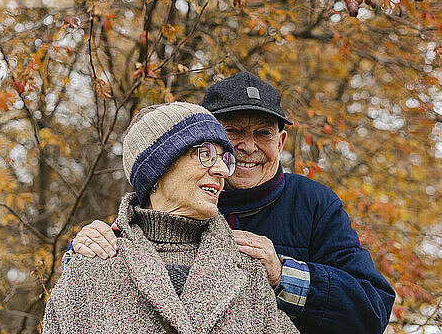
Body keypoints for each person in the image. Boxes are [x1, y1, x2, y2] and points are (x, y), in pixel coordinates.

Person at [66, 72, 396, 334]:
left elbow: (371, 313)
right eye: (233, 131)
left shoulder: (314, 203)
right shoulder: (177, 199)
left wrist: (282, 275)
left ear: (280, 142)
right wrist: (85, 250)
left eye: (263, 133)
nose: (247, 147)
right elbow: (106, 274)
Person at [43, 102, 299, 334]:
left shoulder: (248, 270)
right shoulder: (90, 269)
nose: (222, 170)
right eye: (206, 154)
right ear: (158, 170)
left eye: (224, 159)